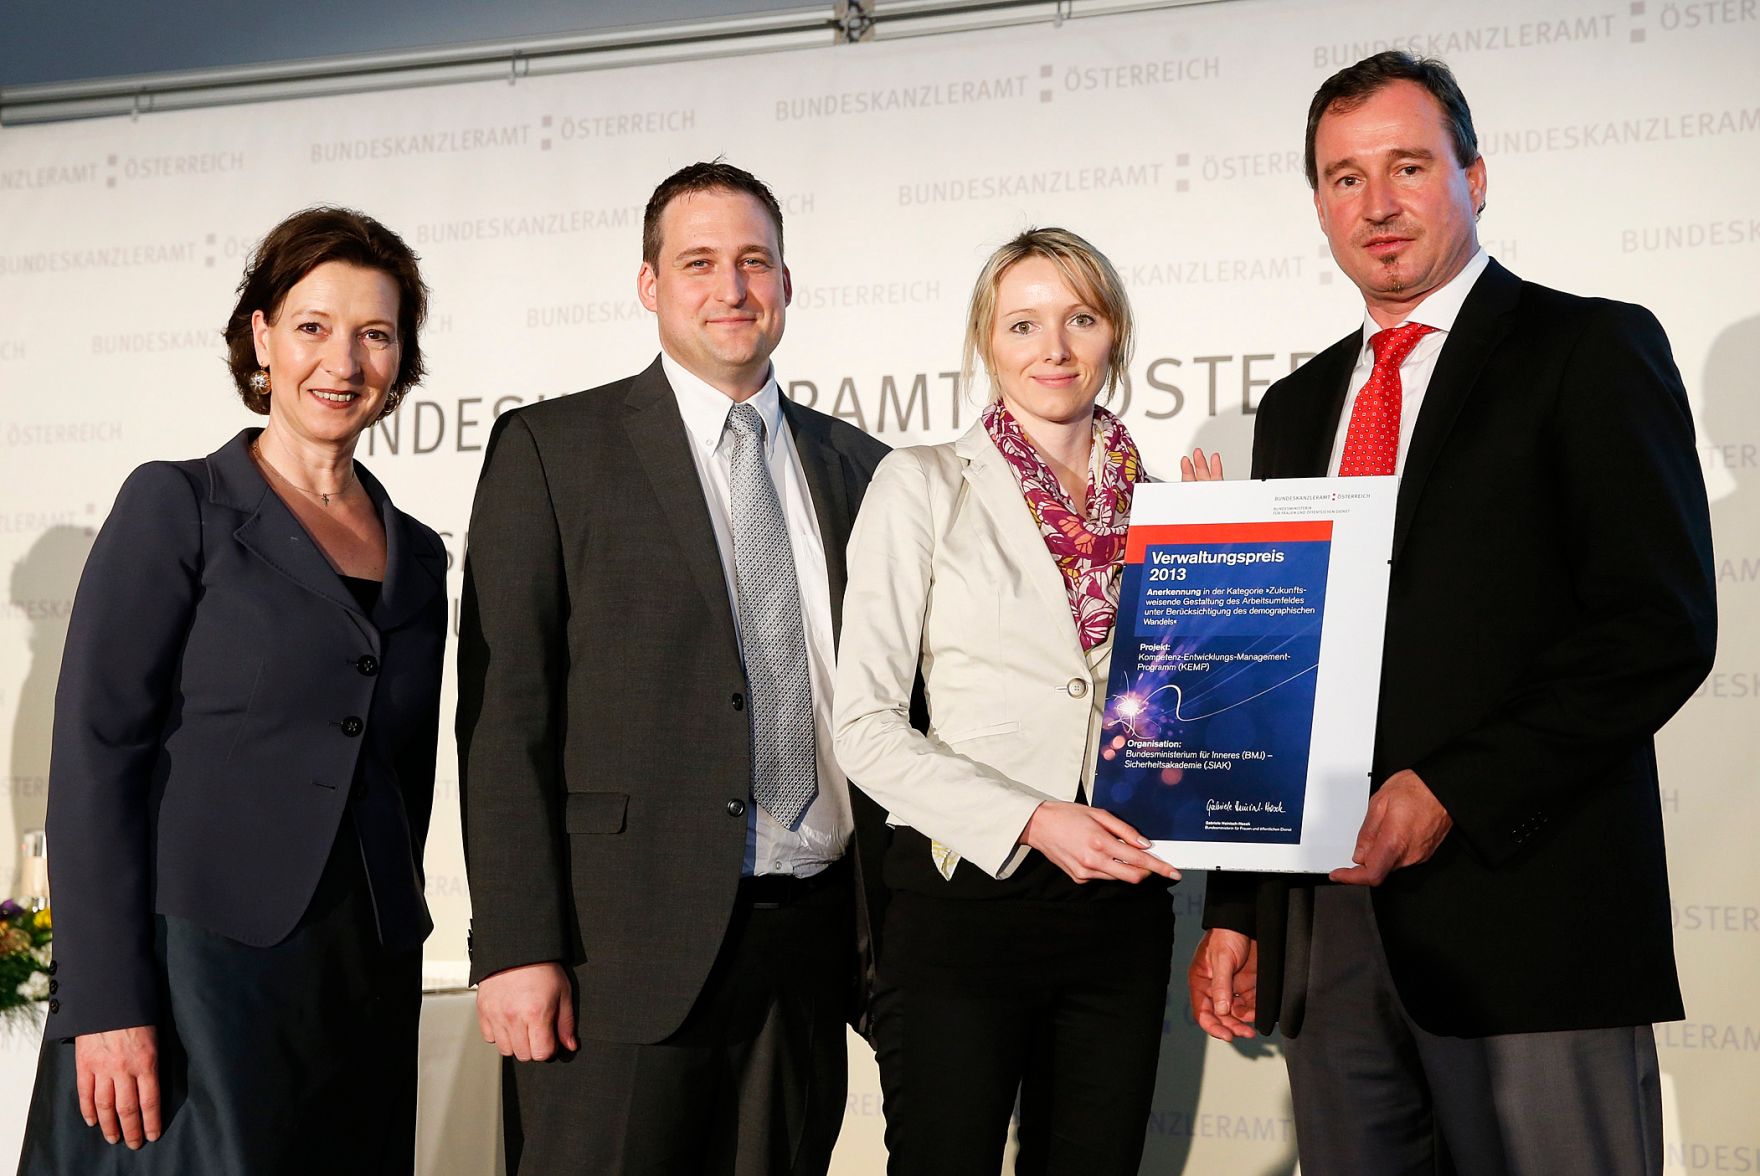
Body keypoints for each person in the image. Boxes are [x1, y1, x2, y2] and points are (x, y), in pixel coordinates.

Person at [1188, 52, 1717, 1175]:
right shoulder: (1292, 408)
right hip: (1328, 941)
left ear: (1474, 174)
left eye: (1406, 166)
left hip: (1527, 922)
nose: (1374, 205)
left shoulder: (1586, 349)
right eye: (1341, 178)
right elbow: (1271, 675)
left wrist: (1451, 793)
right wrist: (1234, 905)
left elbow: (1654, 627)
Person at [457, 160, 890, 1175]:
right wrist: (517, 946)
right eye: (698, 263)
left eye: (753, 262)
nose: (730, 289)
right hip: (615, 955)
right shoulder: (553, 450)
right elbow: (503, 717)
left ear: (787, 280)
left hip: (808, 945)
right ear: (649, 284)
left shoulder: (860, 468)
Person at [19, 206, 447, 1174]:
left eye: (374, 334)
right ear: (260, 336)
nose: (341, 361)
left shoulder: (417, 554)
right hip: (198, 967)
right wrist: (107, 1002)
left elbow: (401, 776)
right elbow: (96, 759)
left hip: (362, 970)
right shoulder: (178, 505)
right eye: (312, 327)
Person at [832, 227, 1219, 1175]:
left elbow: (1199, 719)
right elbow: (863, 728)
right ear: (986, 343)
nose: (1054, 348)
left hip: (1122, 910)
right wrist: (1034, 818)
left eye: (1079, 318)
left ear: (1114, 335)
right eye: (1024, 323)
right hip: (968, 902)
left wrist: (1233, 550)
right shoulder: (920, 483)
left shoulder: (1168, 508)